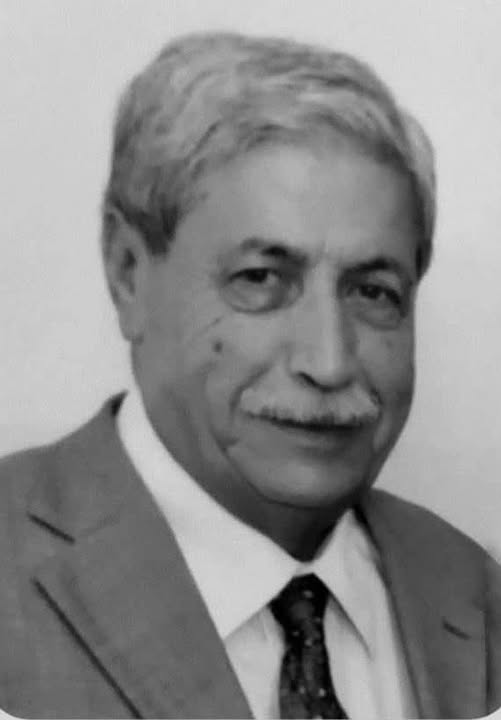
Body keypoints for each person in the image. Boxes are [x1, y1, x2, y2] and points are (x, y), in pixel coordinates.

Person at [0, 31, 500, 720]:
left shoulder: (476, 593)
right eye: (261, 279)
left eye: (373, 291)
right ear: (128, 273)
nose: (328, 362)